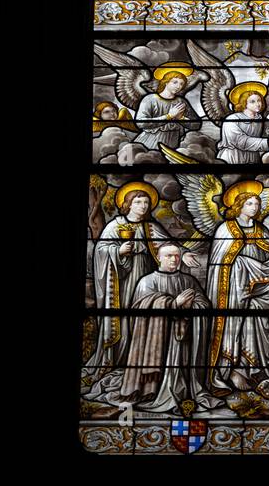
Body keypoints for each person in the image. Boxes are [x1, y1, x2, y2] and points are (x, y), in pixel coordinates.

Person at [207, 183, 269, 398]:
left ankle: (260, 371)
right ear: (239, 206)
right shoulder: (225, 229)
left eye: (257, 204)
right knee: (238, 323)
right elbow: (222, 264)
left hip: (262, 292)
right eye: (249, 203)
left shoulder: (262, 230)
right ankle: (234, 370)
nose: (254, 207)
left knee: (262, 319)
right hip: (234, 292)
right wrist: (249, 269)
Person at [121, 244, 219, 413]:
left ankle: (184, 392)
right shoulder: (147, 281)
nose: (174, 259)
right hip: (156, 340)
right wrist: (174, 304)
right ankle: (153, 392)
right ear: (158, 257)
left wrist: (192, 307)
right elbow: (140, 314)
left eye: (177, 256)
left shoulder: (189, 281)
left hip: (183, 338)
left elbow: (204, 306)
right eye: (168, 256)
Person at [85, 182, 168, 377]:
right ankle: (116, 360)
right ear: (128, 204)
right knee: (123, 317)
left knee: (142, 315)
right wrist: (118, 251)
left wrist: (184, 252)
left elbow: (168, 246)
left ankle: (141, 360)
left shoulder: (151, 227)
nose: (143, 206)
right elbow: (101, 251)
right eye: (138, 202)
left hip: (146, 279)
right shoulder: (115, 226)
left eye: (146, 202)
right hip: (121, 283)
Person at [217, 84, 269, 164]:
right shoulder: (232, 119)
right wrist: (268, 142)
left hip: (253, 158)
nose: (257, 104)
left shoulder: (260, 119)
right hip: (233, 157)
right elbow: (240, 141)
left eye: (259, 100)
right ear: (244, 103)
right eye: (252, 101)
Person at [134, 65, 200, 153]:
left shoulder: (181, 101)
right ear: (166, 82)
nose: (178, 86)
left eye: (181, 84)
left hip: (173, 144)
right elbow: (140, 123)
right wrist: (168, 116)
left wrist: (181, 119)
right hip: (150, 143)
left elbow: (196, 124)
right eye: (175, 82)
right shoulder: (150, 99)